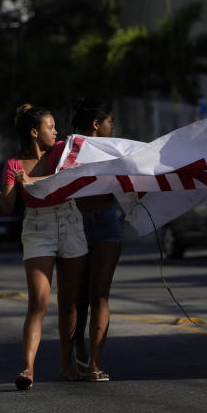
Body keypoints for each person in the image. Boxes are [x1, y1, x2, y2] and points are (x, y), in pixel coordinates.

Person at [0, 104, 88, 389]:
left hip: (69, 219)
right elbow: (8, 207)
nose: (56, 131)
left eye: (55, 127)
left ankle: (66, 361)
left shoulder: (61, 152)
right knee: (38, 301)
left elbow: (65, 181)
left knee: (70, 301)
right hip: (37, 228)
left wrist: (32, 181)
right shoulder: (14, 165)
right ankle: (28, 369)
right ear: (35, 132)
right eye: (50, 127)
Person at [70, 98, 122, 383]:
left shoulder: (114, 150)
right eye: (109, 122)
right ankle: (77, 352)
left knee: (99, 294)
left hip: (106, 223)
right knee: (78, 298)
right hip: (75, 225)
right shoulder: (68, 149)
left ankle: (94, 362)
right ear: (95, 124)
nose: (112, 127)